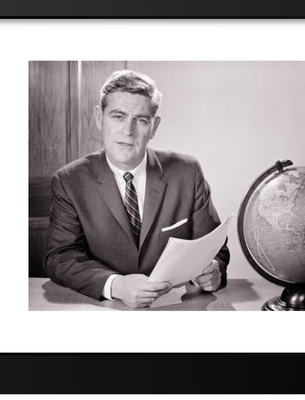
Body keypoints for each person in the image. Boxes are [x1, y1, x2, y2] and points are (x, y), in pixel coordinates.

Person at [44, 70, 230, 308]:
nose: (128, 131)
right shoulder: (69, 181)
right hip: (102, 311)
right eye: (118, 117)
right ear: (99, 117)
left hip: (173, 309)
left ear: (154, 127)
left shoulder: (188, 172)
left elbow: (214, 246)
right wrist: (116, 285)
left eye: (141, 120)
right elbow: (60, 257)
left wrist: (215, 270)